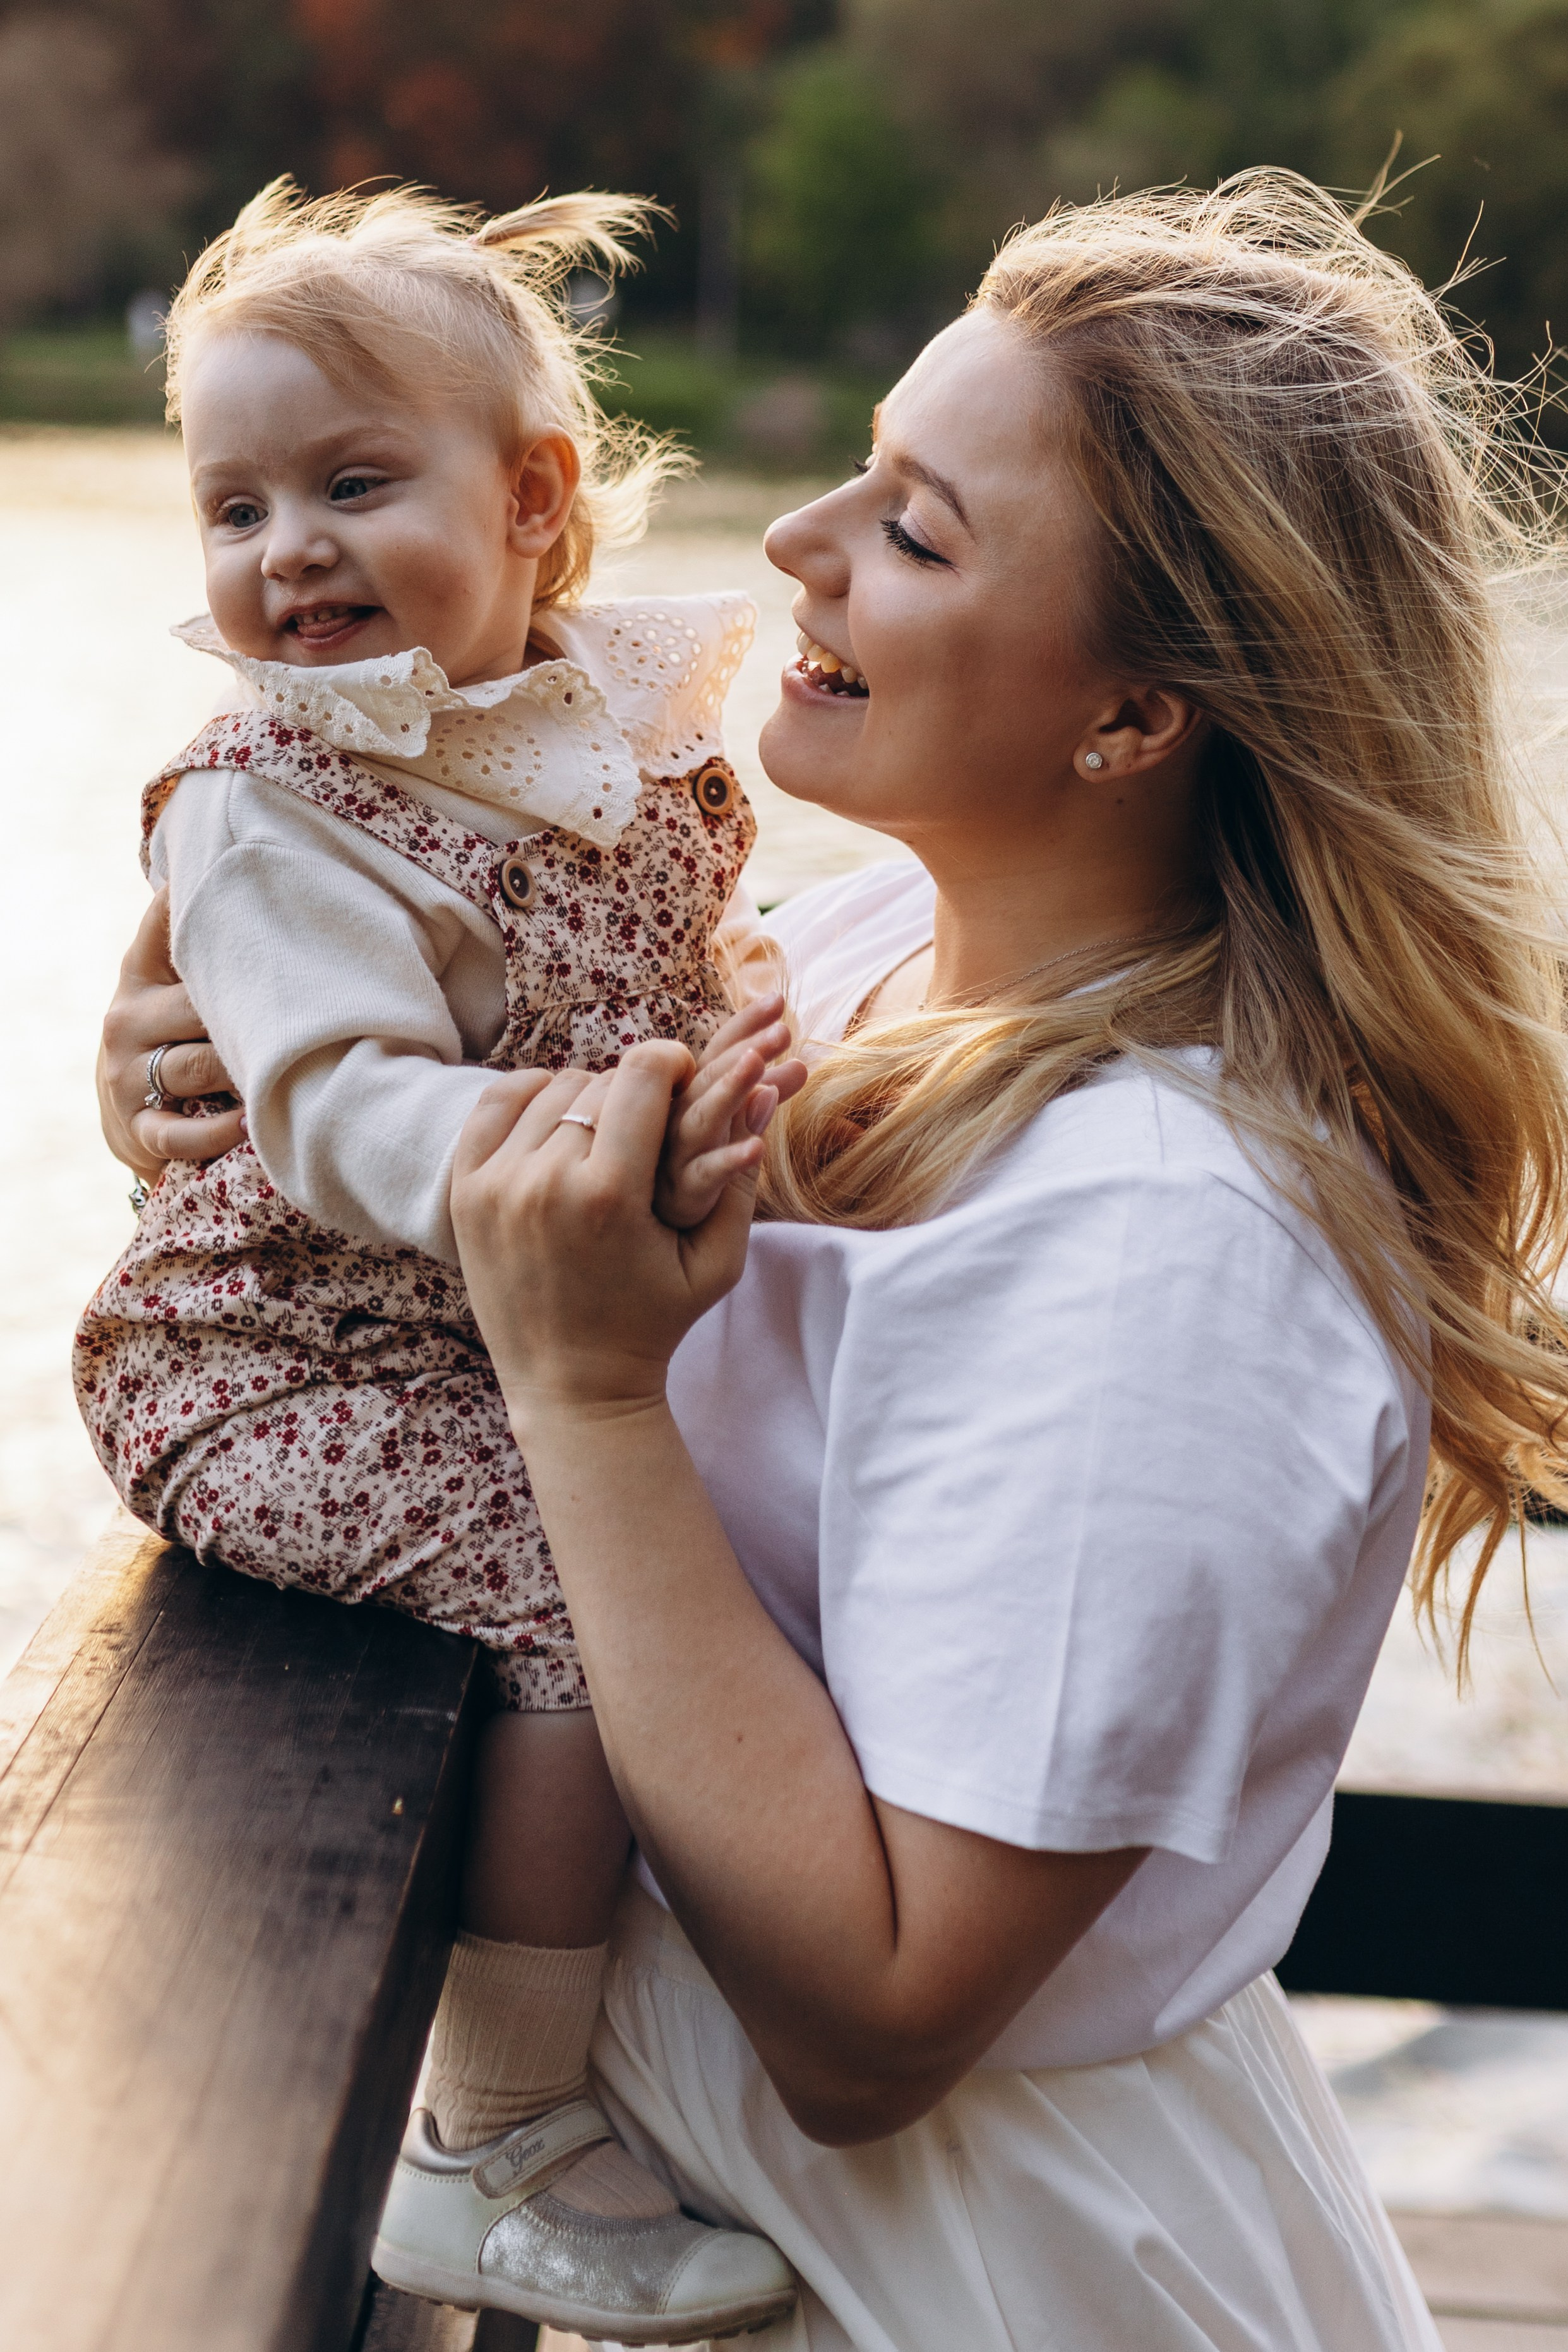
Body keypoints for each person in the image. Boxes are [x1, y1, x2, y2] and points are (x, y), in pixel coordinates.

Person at [99, 174, 1568, 2349]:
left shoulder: (1176, 1250)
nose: (795, 543)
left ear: (1132, 716)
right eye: (859, 474)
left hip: (993, 2270)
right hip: (732, 2222)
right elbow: (480, 1066)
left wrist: (587, 1393)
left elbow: (874, 2027)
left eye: (914, 526)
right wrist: (230, 1050)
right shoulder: (866, 950)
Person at [74, 177, 801, 2343]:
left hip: (461, 1344)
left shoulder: (610, 737)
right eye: (233, 504)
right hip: (264, 1361)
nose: (281, 546)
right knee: (562, 1583)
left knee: (635, 1548)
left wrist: (743, 1018)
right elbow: (336, 1102)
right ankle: (489, 2130)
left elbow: (674, 950)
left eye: (351, 483)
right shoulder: (269, 796)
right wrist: (581, 1141)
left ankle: (624, 2074)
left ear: (534, 501)